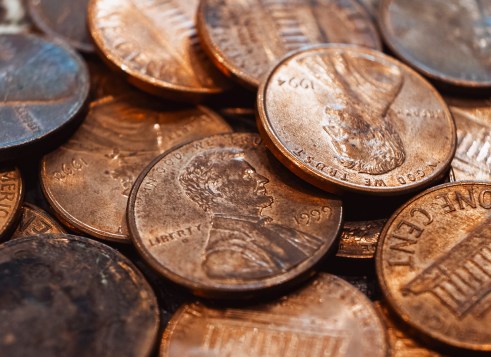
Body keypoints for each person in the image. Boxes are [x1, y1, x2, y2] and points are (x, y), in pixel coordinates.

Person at [179, 149, 324, 280]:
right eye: (247, 176)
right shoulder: (224, 258)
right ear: (215, 189)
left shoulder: (281, 231)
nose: (263, 180)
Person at [301, 52, 406, 175]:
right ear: (373, 137)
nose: (329, 129)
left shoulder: (329, 90)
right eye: (350, 143)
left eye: (336, 140)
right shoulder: (383, 84)